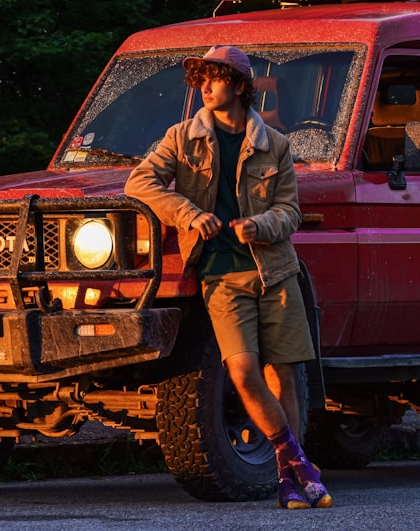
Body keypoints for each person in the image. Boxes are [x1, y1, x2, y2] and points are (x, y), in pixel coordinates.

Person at [124, 45, 332, 509]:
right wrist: (188, 213)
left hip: (275, 273)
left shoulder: (275, 144)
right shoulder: (181, 137)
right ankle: (298, 462)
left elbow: (291, 213)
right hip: (220, 276)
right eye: (200, 78)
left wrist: (259, 225)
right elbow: (139, 183)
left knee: (285, 371)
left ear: (239, 85)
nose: (204, 86)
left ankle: (289, 482)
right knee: (242, 370)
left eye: (214, 78)